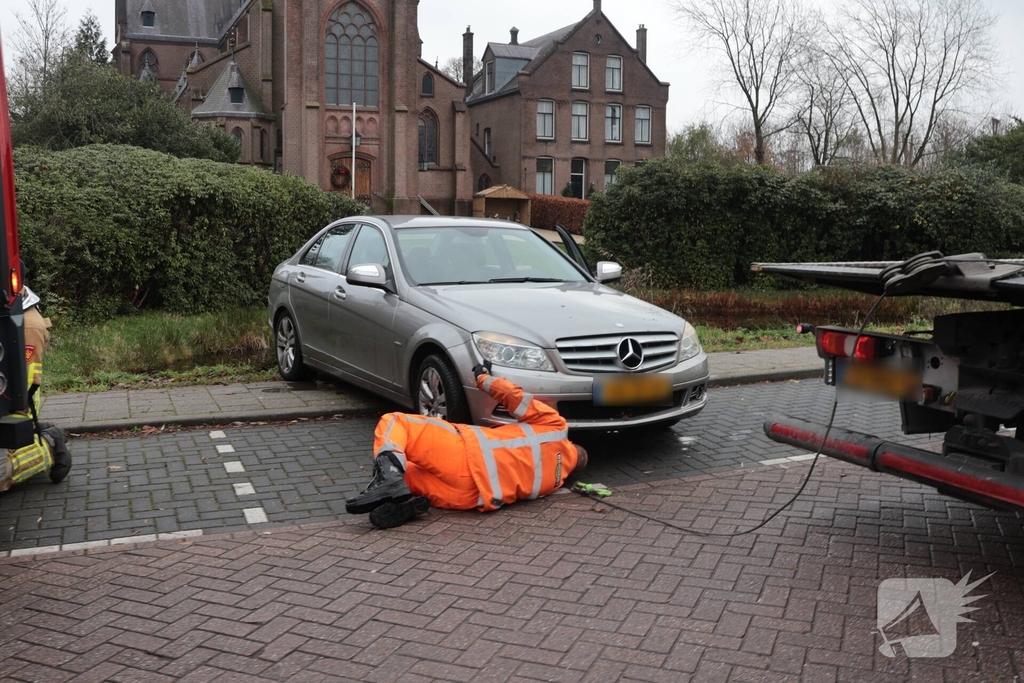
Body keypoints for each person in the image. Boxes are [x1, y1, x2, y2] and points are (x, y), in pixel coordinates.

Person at [346, 361, 588, 529]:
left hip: (467, 456)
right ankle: (403, 503)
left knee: (397, 423)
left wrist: (484, 378)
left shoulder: (557, 429)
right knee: (406, 475)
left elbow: (516, 399)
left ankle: (389, 478)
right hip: (469, 497)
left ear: (573, 447)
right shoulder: (554, 483)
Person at [0, 282, 71, 492]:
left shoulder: (27, 325)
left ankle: (49, 445)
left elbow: (25, 383)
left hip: (15, 407)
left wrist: (18, 423)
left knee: (2, 476)